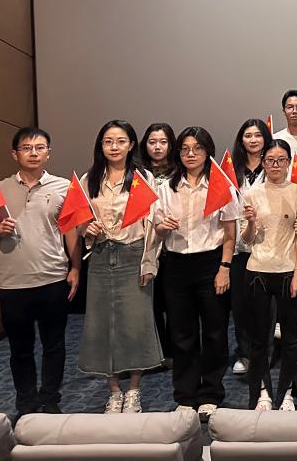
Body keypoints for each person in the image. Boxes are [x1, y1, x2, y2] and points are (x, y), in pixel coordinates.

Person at [0, 128, 79, 420]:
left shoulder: (63, 186)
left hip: (53, 277)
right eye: (26, 148)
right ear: (15, 154)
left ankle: (50, 399)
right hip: (12, 281)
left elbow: (70, 229)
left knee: (54, 345)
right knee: (20, 349)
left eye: (40, 147)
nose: (33, 153)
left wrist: (75, 267)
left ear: (49, 152)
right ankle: (25, 401)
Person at [78, 120, 163, 413]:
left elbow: (153, 222)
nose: (114, 147)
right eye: (108, 141)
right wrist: (87, 230)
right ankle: (114, 391)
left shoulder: (143, 178)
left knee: (136, 324)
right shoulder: (89, 179)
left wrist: (149, 261)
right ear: (100, 146)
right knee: (102, 325)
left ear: (131, 145)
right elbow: (80, 219)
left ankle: (134, 390)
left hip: (133, 255)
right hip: (101, 256)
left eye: (121, 141)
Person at [154, 127, 238, 419]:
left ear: (207, 151)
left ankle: (211, 392)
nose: (191, 154)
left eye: (197, 148)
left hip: (211, 262)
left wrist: (224, 268)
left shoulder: (219, 184)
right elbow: (157, 229)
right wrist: (162, 227)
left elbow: (230, 233)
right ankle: (185, 394)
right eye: (185, 149)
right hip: (176, 264)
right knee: (181, 332)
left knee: (214, 330)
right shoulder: (167, 187)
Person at [241, 139, 297, 411]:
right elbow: (246, 240)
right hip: (257, 271)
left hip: (288, 271)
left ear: (289, 162)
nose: (275, 165)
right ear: (263, 162)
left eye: (281, 160)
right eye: (270, 160)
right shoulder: (252, 193)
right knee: (259, 339)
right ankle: (263, 392)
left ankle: (287, 392)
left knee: (290, 338)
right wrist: (251, 222)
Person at [229, 119, 272, 376]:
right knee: (241, 305)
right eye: (248, 136)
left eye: (258, 135)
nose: (253, 140)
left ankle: (265, 352)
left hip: (268, 246)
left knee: (266, 305)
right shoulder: (231, 171)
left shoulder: (274, 167)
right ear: (241, 140)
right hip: (239, 247)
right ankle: (244, 353)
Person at [140, 122, 178, 366]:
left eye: (163, 142)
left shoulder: (180, 171)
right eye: (152, 142)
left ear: (171, 145)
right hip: (146, 243)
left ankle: (174, 352)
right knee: (148, 303)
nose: (157, 147)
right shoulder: (138, 175)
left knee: (174, 302)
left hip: (174, 243)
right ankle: (155, 352)